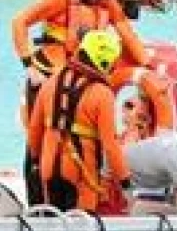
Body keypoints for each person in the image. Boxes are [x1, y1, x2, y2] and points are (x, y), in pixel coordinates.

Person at [11, 0, 153, 202]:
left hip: (80, 78)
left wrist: (146, 65)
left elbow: (125, 31)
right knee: (38, 142)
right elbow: (19, 22)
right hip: (48, 76)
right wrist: (28, 65)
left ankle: (78, 198)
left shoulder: (106, 1)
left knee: (82, 141)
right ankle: (37, 203)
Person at [26, 27, 132, 212]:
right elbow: (110, 145)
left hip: (48, 167)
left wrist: (35, 161)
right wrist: (124, 181)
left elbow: (35, 131)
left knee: (53, 227)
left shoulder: (52, 82)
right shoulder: (102, 93)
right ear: (106, 61)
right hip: (81, 173)